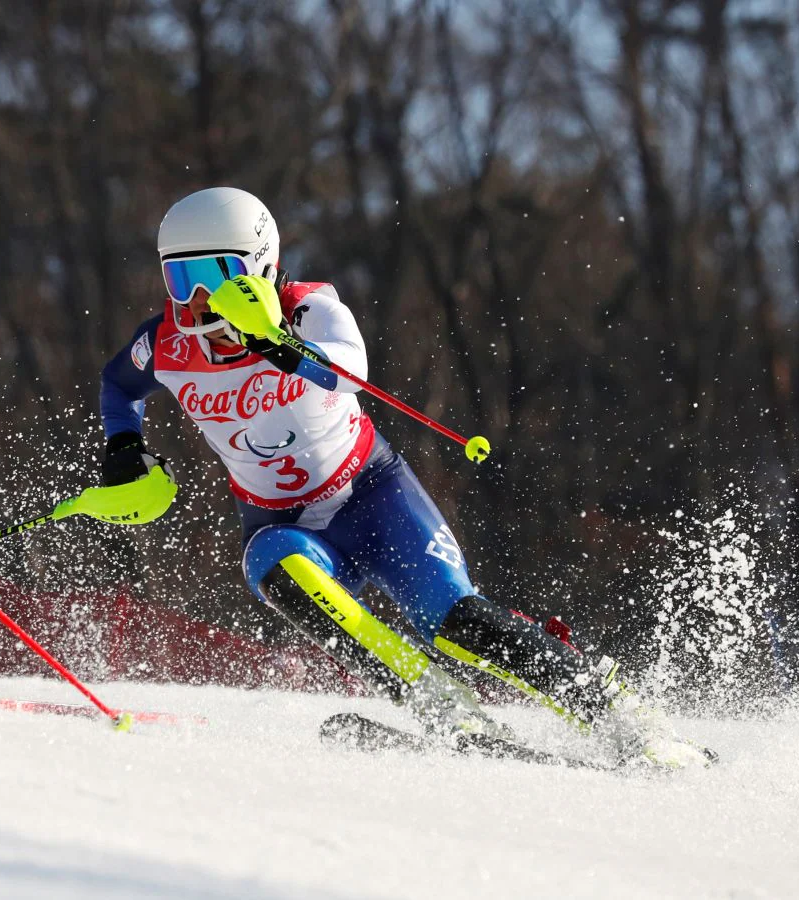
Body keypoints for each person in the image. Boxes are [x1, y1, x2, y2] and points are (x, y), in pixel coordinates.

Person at [100, 186, 710, 768]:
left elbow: (349, 366)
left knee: (457, 623)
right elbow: (119, 385)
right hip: (285, 526)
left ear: (259, 267)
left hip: (372, 497)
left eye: (214, 276)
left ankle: (618, 714)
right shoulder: (167, 344)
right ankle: (442, 706)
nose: (197, 300)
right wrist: (123, 448)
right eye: (181, 280)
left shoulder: (310, 308)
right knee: (271, 564)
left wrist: (281, 344)